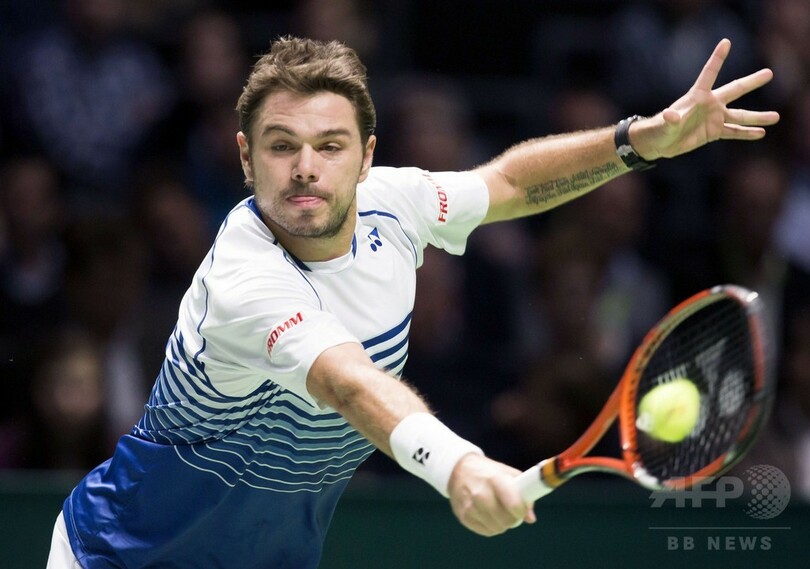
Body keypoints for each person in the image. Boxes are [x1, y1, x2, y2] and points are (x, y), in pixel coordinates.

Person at [46, 36, 779, 568]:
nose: (305, 168)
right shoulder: (244, 279)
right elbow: (347, 382)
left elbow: (509, 183)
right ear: (245, 156)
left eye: (331, 145)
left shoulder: (395, 205)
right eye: (280, 145)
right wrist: (459, 467)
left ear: (367, 157)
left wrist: (639, 142)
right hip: (118, 556)